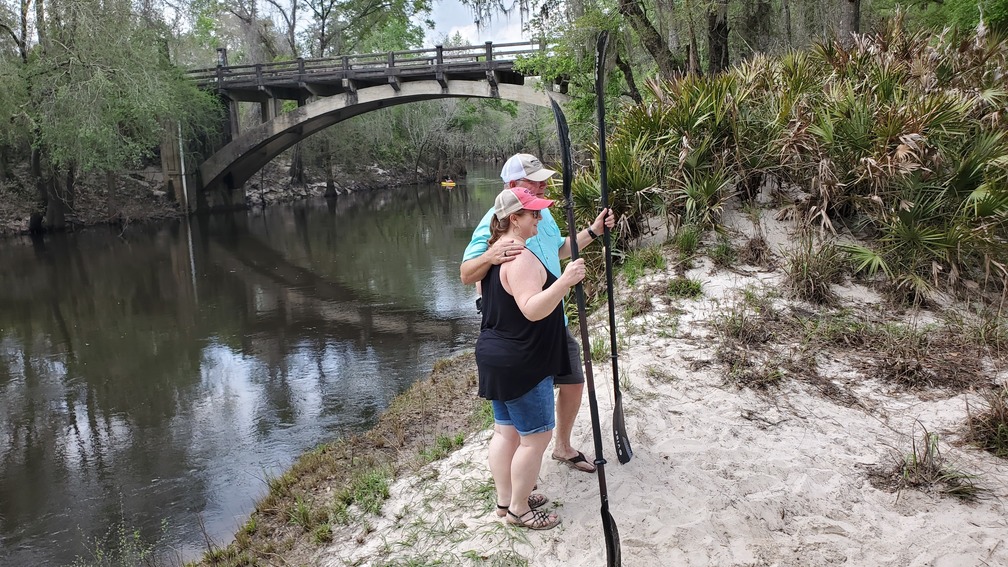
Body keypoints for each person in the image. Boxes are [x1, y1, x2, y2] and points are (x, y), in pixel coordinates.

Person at [461, 153, 615, 474]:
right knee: (521, 423)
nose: (544, 185)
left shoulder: (539, 215)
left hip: (556, 320)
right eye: (536, 182)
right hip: (524, 332)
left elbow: (559, 248)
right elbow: (466, 273)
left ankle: (562, 446)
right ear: (513, 185)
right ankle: (520, 486)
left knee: (573, 382)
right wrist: (490, 254)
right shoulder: (498, 219)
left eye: (544, 179)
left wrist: (594, 231)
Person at [476, 186, 586, 530]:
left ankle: (504, 501)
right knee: (535, 438)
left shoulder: (495, 253)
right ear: (514, 219)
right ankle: (519, 510)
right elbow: (532, 309)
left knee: (505, 432)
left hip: (498, 355)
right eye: (533, 214)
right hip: (523, 360)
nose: (539, 218)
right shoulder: (520, 258)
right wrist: (564, 282)